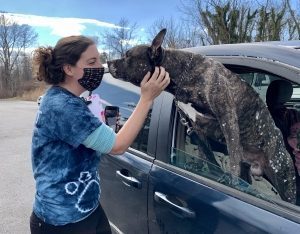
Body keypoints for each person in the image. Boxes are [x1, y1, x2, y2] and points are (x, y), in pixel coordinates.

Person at [30, 35, 170, 234]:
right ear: (68, 69)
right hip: (61, 222)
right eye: (91, 62)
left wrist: (108, 125)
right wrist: (146, 99)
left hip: (87, 209)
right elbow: (118, 146)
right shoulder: (63, 106)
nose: (100, 67)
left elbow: (97, 140)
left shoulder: (68, 99)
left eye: (99, 59)